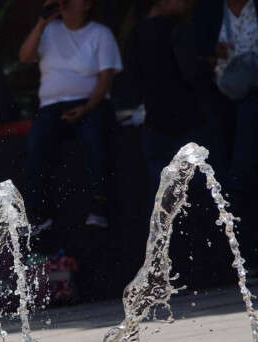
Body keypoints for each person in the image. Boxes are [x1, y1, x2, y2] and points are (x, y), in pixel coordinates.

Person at [19, 0, 122, 230]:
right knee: (35, 144)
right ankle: (39, 215)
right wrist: (41, 21)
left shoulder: (100, 33)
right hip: (51, 106)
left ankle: (99, 207)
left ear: (86, 5)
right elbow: (25, 57)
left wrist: (86, 108)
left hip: (91, 103)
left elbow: (106, 79)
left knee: (94, 138)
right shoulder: (48, 31)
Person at [193, 0, 258, 269]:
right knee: (231, 178)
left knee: (242, 173)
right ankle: (244, 258)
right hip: (221, 101)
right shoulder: (208, 12)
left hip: (253, 100)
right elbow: (195, 52)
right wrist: (211, 53)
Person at [125, 0, 203, 203]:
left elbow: (132, 78)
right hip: (186, 116)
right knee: (193, 187)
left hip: (153, 116)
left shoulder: (135, 33)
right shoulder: (177, 29)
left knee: (160, 190)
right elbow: (191, 72)